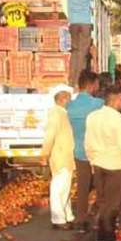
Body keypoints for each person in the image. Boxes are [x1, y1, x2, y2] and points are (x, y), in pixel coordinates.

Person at [84, 84, 121, 241]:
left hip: (98, 163)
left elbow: (88, 143)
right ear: (116, 100)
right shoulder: (118, 120)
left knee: (103, 201)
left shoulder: (92, 116)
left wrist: (92, 161)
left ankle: (100, 239)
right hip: (115, 165)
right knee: (113, 204)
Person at [67, 71, 104, 233]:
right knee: (102, 184)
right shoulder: (98, 104)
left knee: (82, 186)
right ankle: (99, 215)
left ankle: (80, 218)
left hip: (78, 150)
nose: (98, 87)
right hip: (96, 151)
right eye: (96, 84)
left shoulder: (69, 105)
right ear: (91, 85)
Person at [62, 0, 105, 86]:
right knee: (83, 52)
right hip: (85, 20)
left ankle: (71, 79)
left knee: (75, 51)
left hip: (73, 21)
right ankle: (79, 81)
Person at [41, 85, 75, 230]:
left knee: (65, 187)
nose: (70, 101)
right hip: (61, 155)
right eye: (68, 98)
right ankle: (58, 218)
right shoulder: (56, 113)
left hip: (64, 155)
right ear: (62, 99)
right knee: (59, 188)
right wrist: (45, 153)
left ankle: (67, 215)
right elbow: (50, 135)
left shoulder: (62, 113)